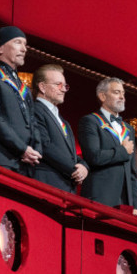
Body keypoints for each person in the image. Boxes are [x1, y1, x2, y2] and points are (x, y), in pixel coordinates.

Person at [0, 26, 42, 174]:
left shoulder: (23, 86)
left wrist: (36, 151)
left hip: (25, 164)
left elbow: (32, 121)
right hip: (1, 160)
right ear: (0, 48)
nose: (24, 49)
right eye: (17, 42)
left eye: (25, 44)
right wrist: (22, 148)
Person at [78, 78, 137, 215]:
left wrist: (136, 205)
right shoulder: (90, 121)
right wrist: (123, 151)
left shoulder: (128, 129)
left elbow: (132, 172)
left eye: (123, 93)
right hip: (100, 196)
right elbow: (94, 157)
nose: (122, 97)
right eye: (117, 92)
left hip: (125, 202)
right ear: (102, 96)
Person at [32, 64, 88, 193]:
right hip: (46, 183)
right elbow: (44, 145)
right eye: (58, 85)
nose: (63, 90)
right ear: (42, 87)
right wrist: (74, 170)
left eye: (65, 86)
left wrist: (84, 167)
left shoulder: (64, 122)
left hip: (66, 187)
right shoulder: (35, 110)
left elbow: (71, 155)